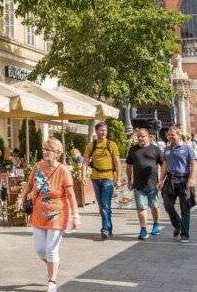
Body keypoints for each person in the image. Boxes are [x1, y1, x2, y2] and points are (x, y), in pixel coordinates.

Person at [15, 138, 79, 292]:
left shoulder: (63, 170)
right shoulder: (38, 166)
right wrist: (20, 197)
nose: (44, 152)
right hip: (39, 212)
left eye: (48, 149)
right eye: (43, 149)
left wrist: (76, 215)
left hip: (58, 213)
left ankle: (52, 282)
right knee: (40, 250)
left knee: (51, 249)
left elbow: (71, 195)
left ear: (57, 153)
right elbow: (29, 185)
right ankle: (53, 264)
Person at [83, 122, 122, 240]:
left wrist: (118, 178)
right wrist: (83, 176)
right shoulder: (92, 145)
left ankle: (105, 229)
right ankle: (108, 228)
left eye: (105, 130)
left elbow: (117, 162)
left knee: (105, 205)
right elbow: (85, 161)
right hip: (95, 178)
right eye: (100, 130)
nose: (103, 132)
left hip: (108, 177)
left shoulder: (112, 144)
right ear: (96, 131)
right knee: (102, 206)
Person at [160, 125, 197, 242]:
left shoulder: (187, 148)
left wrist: (192, 178)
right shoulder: (166, 149)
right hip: (170, 180)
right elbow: (165, 165)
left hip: (184, 180)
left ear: (179, 135)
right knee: (168, 205)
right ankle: (178, 225)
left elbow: (194, 163)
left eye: (172, 135)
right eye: (168, 134)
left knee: (185, 208)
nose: (170, 137)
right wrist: (161, 180)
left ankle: (184, 234)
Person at [125, 128, 164, 240]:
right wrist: (129, 180)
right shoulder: (133, 150)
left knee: (154, 206)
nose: (141, 138)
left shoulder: (155, 149)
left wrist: (161, 180)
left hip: (153, 184)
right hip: (138, 185)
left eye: (143, 136)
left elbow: (163, 164)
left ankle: (156, 224)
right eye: (139, 137)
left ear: (149, 137)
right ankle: (143, 229)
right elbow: (128, 165)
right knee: (141, 208)